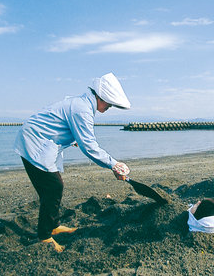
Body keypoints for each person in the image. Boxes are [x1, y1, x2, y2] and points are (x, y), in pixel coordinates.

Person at [14, 73, 131, 252]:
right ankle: (45, 236)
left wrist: (74, 138)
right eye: (109, 102)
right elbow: (89, 146)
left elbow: (62, 125)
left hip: (38, 140)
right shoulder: (81, 109)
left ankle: (53, 225)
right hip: (33, 142)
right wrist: (113, 164)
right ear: (99, 97)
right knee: (53, 187)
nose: (109, 106)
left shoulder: (82, 104)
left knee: (51, 188)